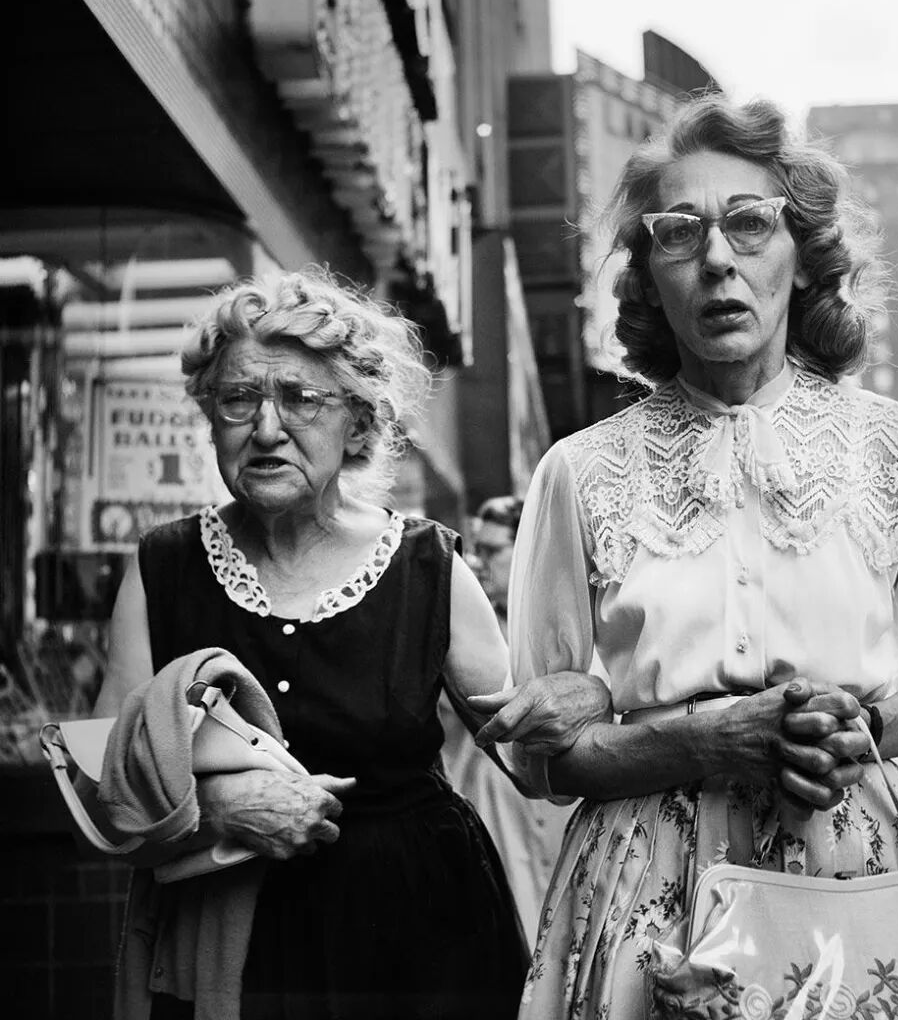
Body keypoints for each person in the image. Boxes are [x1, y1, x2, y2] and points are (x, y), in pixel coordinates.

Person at [476, 94, 898, 1019]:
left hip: (846, 864)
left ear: (802, 256)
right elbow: (545, 760)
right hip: (644, 883)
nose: (718, 258)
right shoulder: (579, 471)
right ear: (648, 276)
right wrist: (699, 738)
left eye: (750, 223)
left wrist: (858, 729)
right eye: (679, 233)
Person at [93, 267, 611, 1020]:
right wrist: (215, 809)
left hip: (419, 946)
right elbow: (97, 773)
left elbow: (533, 764)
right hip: (231, 952)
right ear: (211, 418)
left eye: (300, 399)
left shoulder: (426, 566)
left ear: (360, 426)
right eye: (238, 399)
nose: (265, 428)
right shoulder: (162, 568)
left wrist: (586, 695)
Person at [437, 496, 581, 945]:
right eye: (475, 550)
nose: (477, 561)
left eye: (491, 550)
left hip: (554, 799)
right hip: (492, 800)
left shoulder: (558, 625)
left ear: (525, 549)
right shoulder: (463, 627)